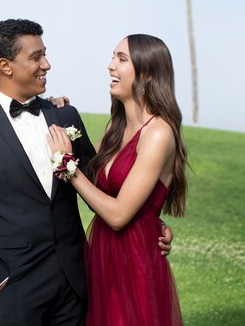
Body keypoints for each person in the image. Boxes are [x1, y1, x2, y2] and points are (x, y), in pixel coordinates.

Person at [0, 19, 172, 326]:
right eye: (36, 57)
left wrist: (152, 222)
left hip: (79, 281)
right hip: (18, 287)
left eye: (45, 54)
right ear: (6, 65)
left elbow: (105, 186)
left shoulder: (65, 114)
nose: (47, 64)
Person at [47, 34, 187, 326]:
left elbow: (119, 215)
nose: (111, 66)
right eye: (113, 56)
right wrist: (60, 115)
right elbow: (93, 179)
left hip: (133, 261)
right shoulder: (117, 126)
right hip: (103, 254)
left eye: (122, 59)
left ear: (147, 74)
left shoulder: (158, 133)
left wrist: (65, 165)